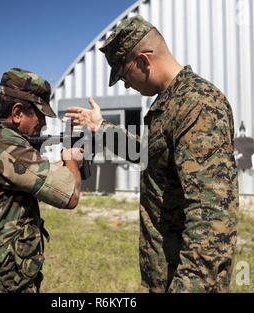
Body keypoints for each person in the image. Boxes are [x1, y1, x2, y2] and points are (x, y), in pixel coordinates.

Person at [66, 16, 238, 292]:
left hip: (184, 279)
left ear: (144, 61)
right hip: (163, 272)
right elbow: (148, 155)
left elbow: (211, 216)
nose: (125, 85)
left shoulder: (197, 104)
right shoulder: (169, 103)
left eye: (124, 75)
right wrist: (100, 127)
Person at [0, 68, 83, 293]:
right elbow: (70, 195)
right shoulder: (4, 144)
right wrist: (72, 161)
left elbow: (29, 176)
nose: (42, 122)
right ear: (17, 112)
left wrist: (61, 163)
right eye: (39, 114)